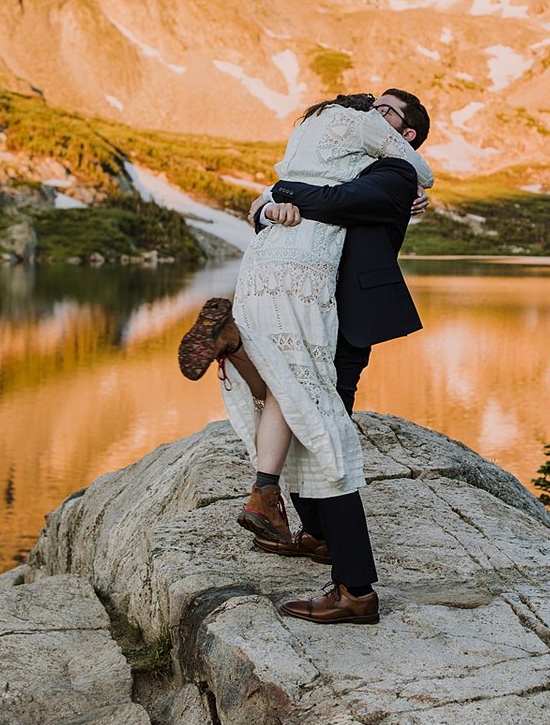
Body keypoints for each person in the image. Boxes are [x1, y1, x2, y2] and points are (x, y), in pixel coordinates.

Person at [178, 89, 433, 625]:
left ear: (406, 135)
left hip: (344, 323)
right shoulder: (352, 161)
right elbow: (294, 205)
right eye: (373, 107)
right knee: (291, 408)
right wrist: (266, 205)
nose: (371, 115)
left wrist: (278, 196)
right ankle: (316, 535)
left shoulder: (397, 176)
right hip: (306, 307)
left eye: (386, 112)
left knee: (318, 432)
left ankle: (355, 588)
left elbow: (335, 202)